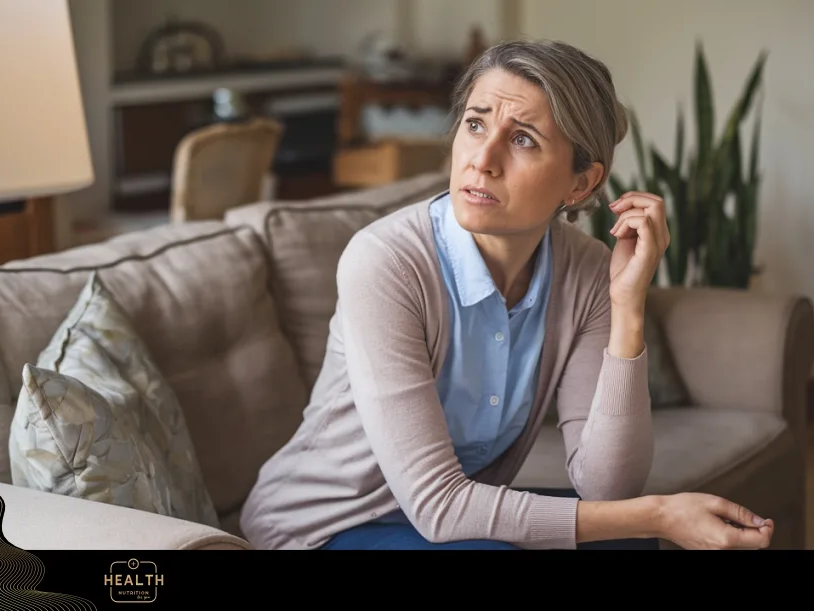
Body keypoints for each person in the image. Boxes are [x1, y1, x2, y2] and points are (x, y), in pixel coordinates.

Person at [239, 39, 775, 551]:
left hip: (444, 526)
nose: (483, 158)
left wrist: (628, 307)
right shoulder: (386, 262)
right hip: (323, 526)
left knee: (626, 539)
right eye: (475, 124)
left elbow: (608, 487)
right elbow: (438, 507)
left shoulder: (586, 272)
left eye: (523, 139)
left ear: (581, 184)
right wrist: (659, 512)